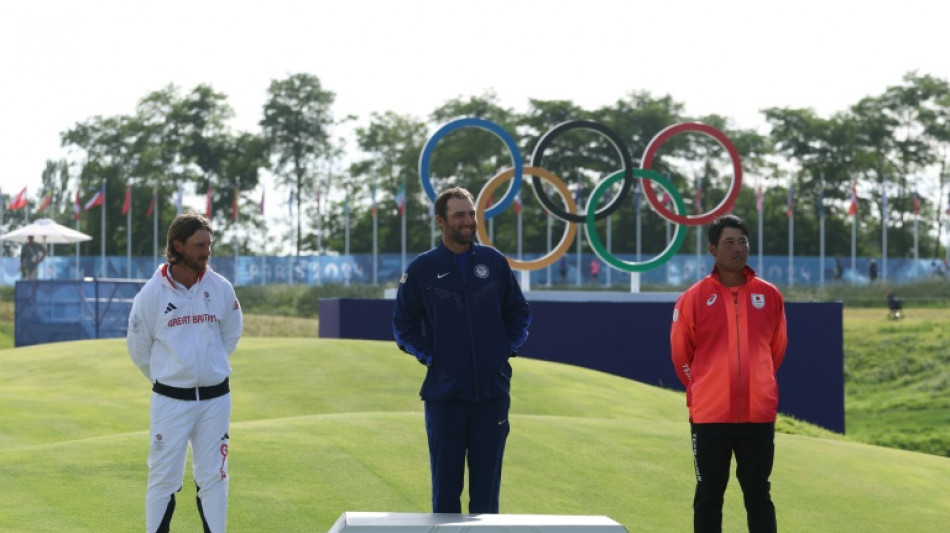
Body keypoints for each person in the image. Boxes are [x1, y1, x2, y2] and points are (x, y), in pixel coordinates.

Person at [393, 186, 531, 514]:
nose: (469, 221)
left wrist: (504, 349)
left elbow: (519, 313)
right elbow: (403, 327)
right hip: (445, 398)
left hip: (492, 394)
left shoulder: (494, 262)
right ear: (441, 221)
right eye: (460, 215)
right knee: (445, 494)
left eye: (471, 214)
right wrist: (433, 357)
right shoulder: (421, 269)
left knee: (486, 498)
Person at [670, 214, 788, 533]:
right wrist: (706, 387)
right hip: (710, 417)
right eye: (729, 242)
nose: (738, 248)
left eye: (743, 241)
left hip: (758, 416)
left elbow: (775, 350)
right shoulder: (693, 298)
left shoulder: (771, 295)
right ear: (712, 249)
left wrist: (757, 383)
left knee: (758, 495)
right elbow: (682, 355)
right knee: (709, 495)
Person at [126, 212, 243, 533]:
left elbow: (230, 336)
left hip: (215, 399)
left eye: (209, 244)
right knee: (163, 478)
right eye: (199, 245)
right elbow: (138, 350)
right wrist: (172, 377)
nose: (207, 251)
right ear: (178, 245)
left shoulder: (221, 288)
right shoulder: (151, 295)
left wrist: (206, 368)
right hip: (170, 402)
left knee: (215, 476)